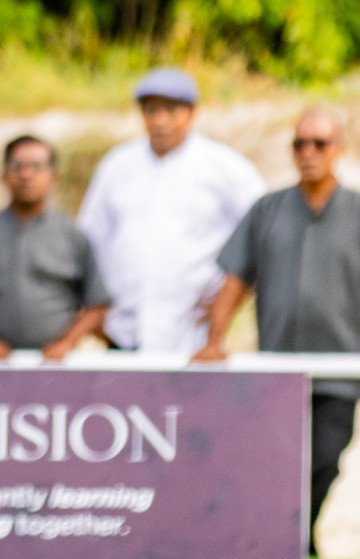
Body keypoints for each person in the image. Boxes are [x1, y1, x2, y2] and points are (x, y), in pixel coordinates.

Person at [193, 109, 360, 556]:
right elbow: (235, 280)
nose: (309, 153)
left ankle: (298, 535)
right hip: (278, 369)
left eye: (319, 144)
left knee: (325, 458)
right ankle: (291, 545)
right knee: (278, 463)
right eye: (299, 144)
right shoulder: (268, 210)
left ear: (340, 149)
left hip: (342, 368)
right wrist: (214, 340)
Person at [78, 68, 264, 353]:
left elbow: (263, 235)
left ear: (192, 112)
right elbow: (90, 241)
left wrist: (233, 300)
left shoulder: (225, 168)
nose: (160, 120)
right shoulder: (117, 166)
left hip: (194, 335)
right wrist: (95, 312)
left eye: (170, 110)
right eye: (151, 110)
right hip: (124, 334)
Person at [0, 136, 110, 360]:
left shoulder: (72, 235)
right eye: (17, 166)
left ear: (54, 176)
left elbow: (97, 302)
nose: (26, 175)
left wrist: (66, 343)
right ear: (4, 174)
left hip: (54, 366)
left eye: (37, 167)